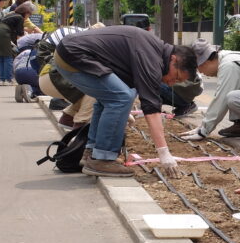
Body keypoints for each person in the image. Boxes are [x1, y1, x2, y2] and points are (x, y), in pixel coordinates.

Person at [53, 25, 198, 178]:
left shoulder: (153, 51)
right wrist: (164, 152)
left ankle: (92, 152)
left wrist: (121, 113)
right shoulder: (151, 58)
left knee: (112, 98)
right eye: (176, 77)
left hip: (69, 52)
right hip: (74, 55)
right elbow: (151, 108)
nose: (171, 83)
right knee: (121, 97)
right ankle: (102, 159)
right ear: (174, 59)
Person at [179, 39, 240, 143]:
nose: (200, 72)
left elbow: (220, 100)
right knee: (233, 92)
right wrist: (202, 127)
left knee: (233, 97)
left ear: (206, 61)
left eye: (199, 67)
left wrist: (203, 131)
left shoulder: (229, 65)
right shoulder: (225, 57)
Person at [0, 3, 28, 86]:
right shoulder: (20, 18)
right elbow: (20, 34)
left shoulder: (12, 15)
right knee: (8, 57)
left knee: (1, 58)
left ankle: (2, 79)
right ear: (26, 13)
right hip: (4, 33)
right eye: (29, 14)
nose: (28, 16)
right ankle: (9, 79)